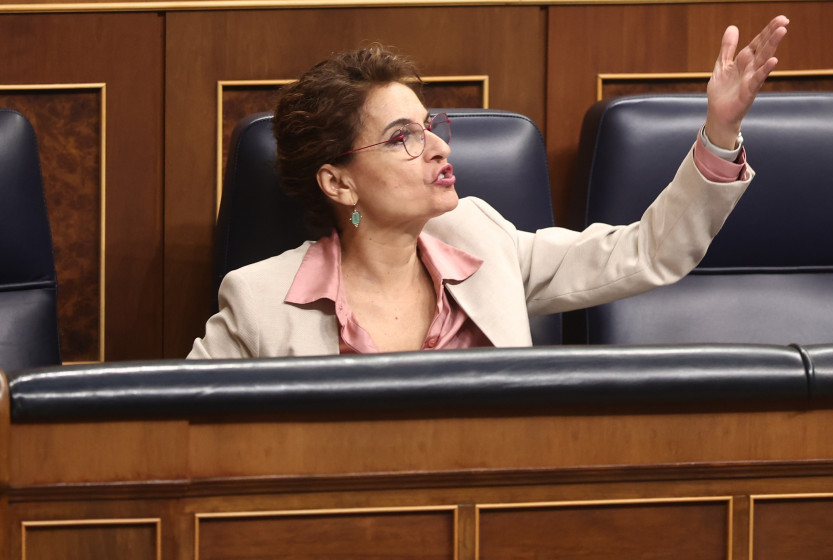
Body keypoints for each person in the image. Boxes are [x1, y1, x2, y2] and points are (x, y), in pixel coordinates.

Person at [188, 16, 789, 358]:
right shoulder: (257, 301)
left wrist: (720, 129)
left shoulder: (482, 241)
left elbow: (645, 252)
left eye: (430, 127)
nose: (441, 147)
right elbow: (170, 428)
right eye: (403, 137)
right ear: (338, 182)